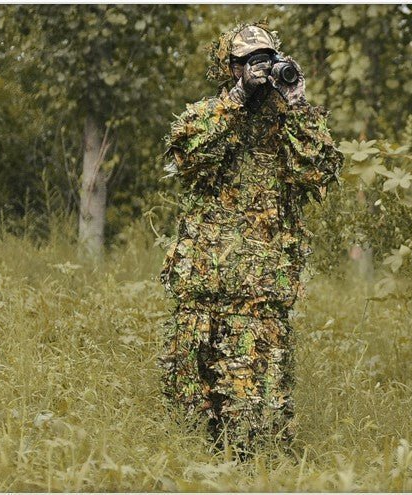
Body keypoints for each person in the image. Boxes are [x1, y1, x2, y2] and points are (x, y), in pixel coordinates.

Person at [159, 22, 342, 453]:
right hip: (203, 289)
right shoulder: (210, 114)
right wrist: (237, 101)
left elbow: (321, 170)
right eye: (250, 62)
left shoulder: (290, 126)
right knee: (190, 402)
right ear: (232, 67)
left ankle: (255, 471)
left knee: (258, 406)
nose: (261, 71)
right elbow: (188, 158)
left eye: (267, 59)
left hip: (261, 291)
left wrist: (297, 106)